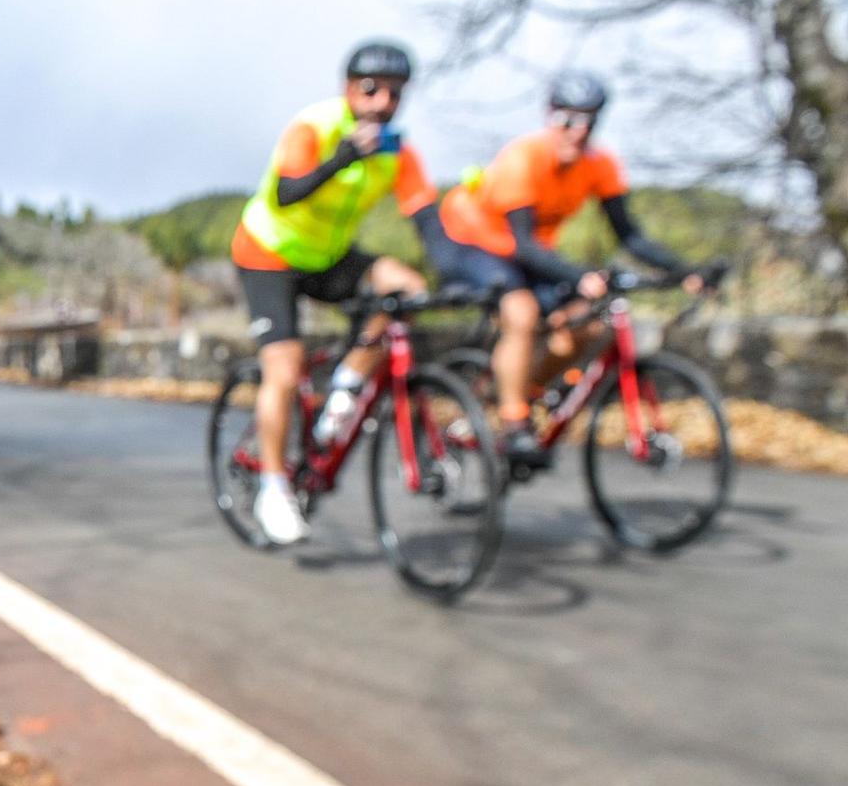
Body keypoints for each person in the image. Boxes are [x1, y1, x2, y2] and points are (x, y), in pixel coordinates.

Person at [233, 40, 448, 545]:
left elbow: (428, 223)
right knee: (283, 370)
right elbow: (287, 193)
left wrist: (464, 275)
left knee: (407, 288)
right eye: (370, 90)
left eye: (394, 94)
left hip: (329, 258)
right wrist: (341, 157)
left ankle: (347, 386)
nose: (381, 103)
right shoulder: (315, 126)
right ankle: (273, 487)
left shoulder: (399, 151)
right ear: (348, 88)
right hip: (270, 254)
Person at [437, 72, 701, 469]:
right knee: (522, 312)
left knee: (588, 323)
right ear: (550, 116)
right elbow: (522, 243)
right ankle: (513, 422)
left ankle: (525, 388)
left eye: (588, 121)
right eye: (567, 119)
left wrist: (684, 271)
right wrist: (579, 276)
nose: (576, 131)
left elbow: (630, 236)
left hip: (525, 251)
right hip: (473, 242)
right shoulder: (523, 158)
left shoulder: (599, 164)